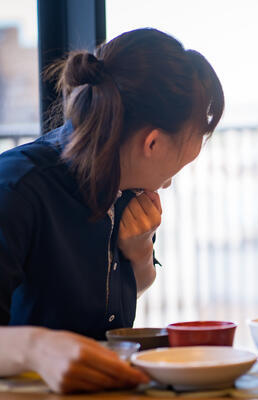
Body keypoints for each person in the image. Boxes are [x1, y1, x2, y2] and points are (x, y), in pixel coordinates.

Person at [0, 28, 224, 393]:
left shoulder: (125, 182)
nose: (179, 171)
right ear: (151, 142)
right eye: (191, 144)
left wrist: (140, 255)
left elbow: (131, 288)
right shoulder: (18, 187)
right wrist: (36, 348)